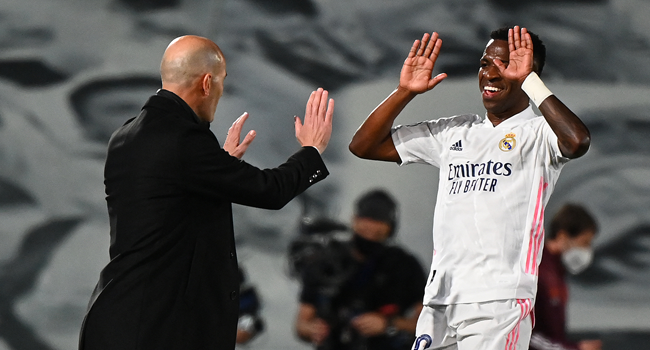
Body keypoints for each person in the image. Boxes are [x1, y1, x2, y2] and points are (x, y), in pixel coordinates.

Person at [79, 35, 335, 350]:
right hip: (158, 330)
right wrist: (311, 151)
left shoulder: (125, 136)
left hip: (115, 319)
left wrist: (221, 168)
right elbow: (270, 191)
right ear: (206, 83)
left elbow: (171, 205)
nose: (221, 91)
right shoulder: (182, 139)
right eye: (221, 82)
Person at [349, 26, 591, 350]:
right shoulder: (454, 131)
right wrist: (404, 92)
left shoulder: (539, 134)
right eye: (484, 63)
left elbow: (577, 141)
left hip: (498, 302)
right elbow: (363, 146)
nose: (489, 73)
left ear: (527, 73)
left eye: (503, 65)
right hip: (440, 300)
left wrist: (530, 81)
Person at [295, 189, 427, 350]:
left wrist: (388, 324)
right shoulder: (327, 261)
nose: (371, 228)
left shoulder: (404, 266)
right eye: (367, 221)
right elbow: (302, 324)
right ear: (355, 220)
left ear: (389, 229)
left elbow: (430, 322)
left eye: (378, 225)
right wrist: (313, 330)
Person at [530, 204, 602, 350]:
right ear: (562, 236)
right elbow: (528, 332)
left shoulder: (557, 270)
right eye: (584, 243)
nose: (587, 250)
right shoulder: (537, 269)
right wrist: (575, 348)